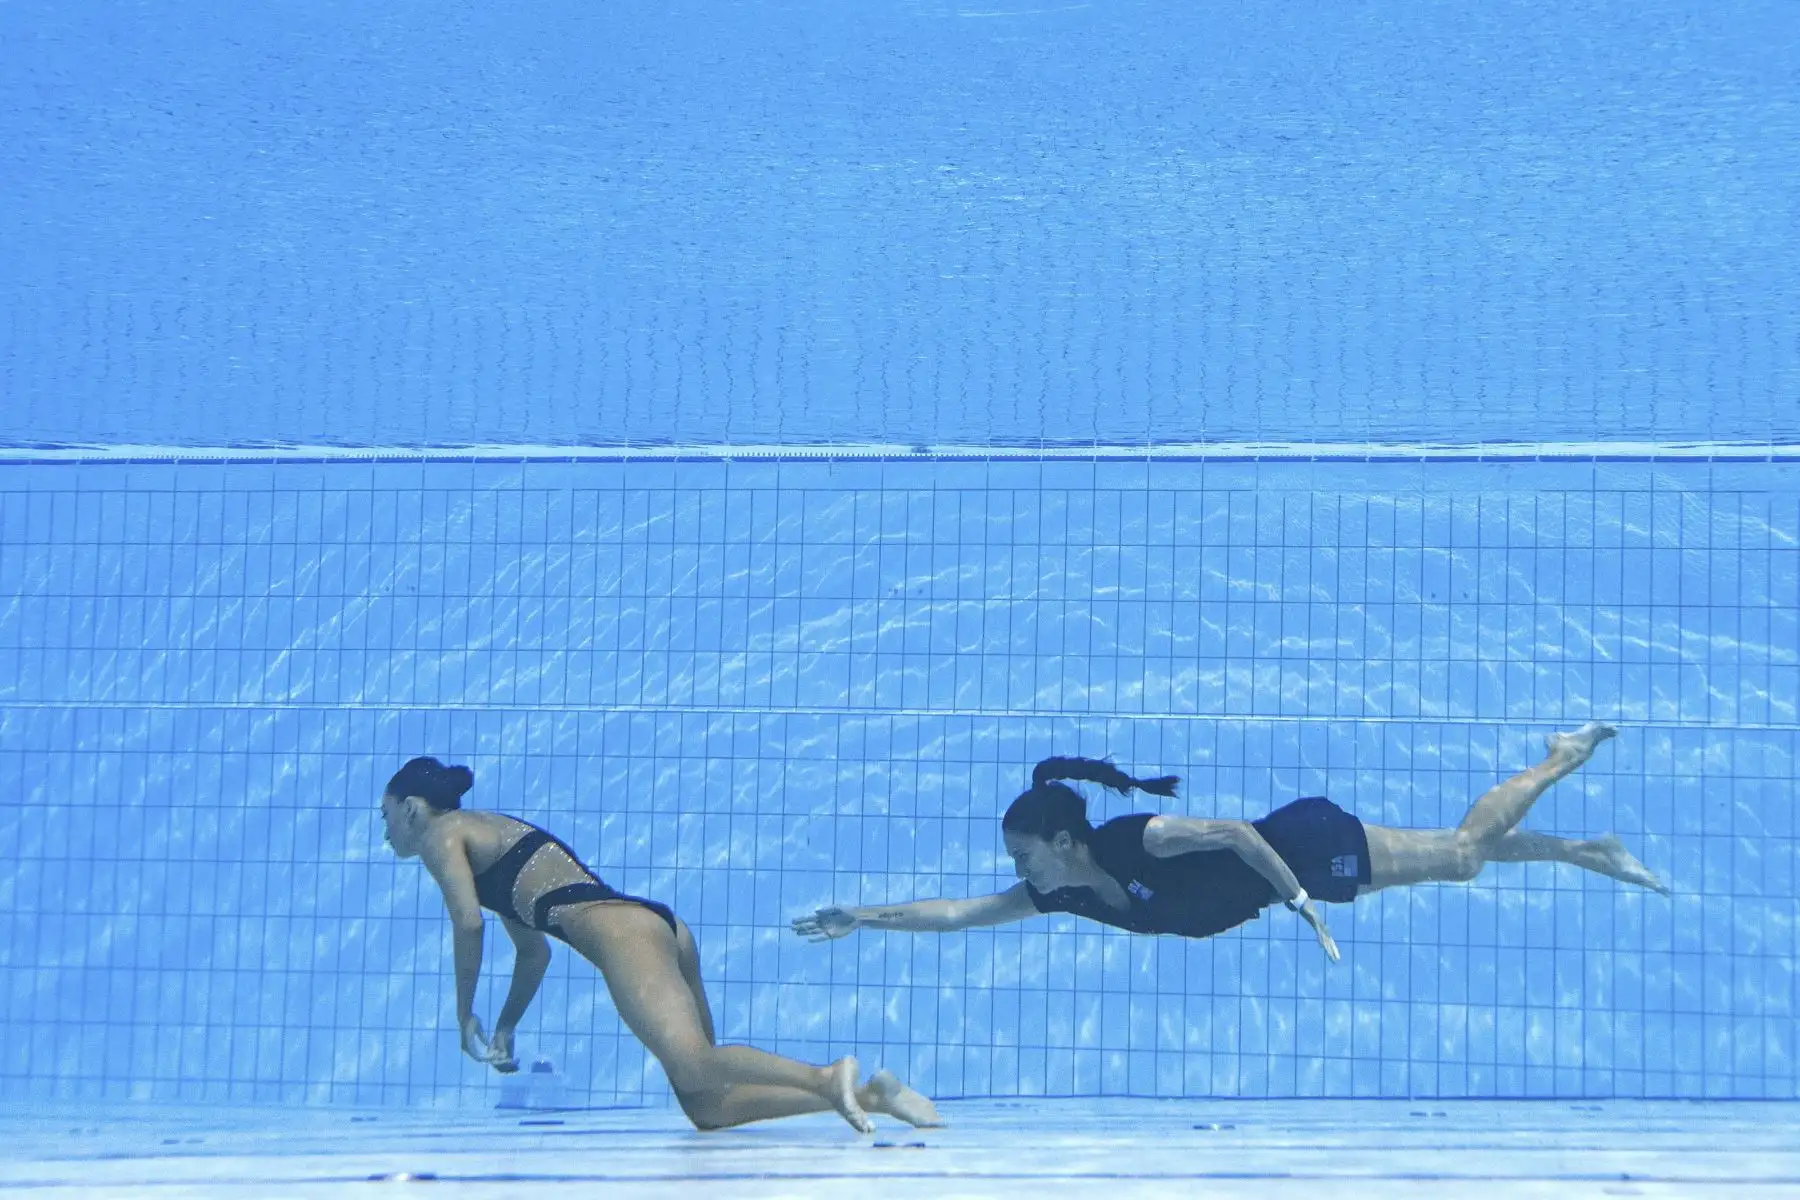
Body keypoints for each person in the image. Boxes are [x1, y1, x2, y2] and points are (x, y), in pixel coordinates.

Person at [380, 756, 940, 1133]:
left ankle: (826, 1074)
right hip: (657, 928)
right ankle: (869, 1096)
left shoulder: (441, 833)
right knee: (706, 1101)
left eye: (386, 818)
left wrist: (462, 1016)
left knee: (697, 1062)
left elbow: (467, 923)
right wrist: (504, 1027)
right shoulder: (488, 840)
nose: (387, 834)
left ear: (410, 809)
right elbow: (534, 953)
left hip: (622, 933)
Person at [793, 722, 1667, 957]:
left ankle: (1557, 757)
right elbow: (952, 913)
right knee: (1456, 857)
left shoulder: (1147, 838)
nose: (1013, 872)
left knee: (1464, 855)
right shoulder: (1057, 891)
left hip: (1304, 847)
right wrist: (863, 916)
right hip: (1302, 877)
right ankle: (1594, 851)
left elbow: (1243, 836)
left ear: (1062, 838)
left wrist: (1299, 902)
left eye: (1022, 853)